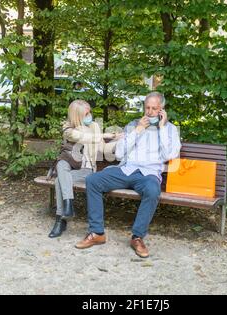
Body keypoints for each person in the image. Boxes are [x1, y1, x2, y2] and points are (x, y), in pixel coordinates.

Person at [75, 92, 182, 258]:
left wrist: (161, 128)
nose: (150, 112)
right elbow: (118, 153)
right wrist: (138, 130)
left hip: (149, 174)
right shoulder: (133, 125)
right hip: (126, 170)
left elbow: (170, 155)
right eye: (147, 107)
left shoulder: (170, 130)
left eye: (155, 108)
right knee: (93, 180)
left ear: (162, 109)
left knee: (153, 191)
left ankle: (137, 237)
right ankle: (97, 233)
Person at [48, 100, 120, 238]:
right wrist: (103, 136)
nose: (90, 115)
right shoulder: (68, 128)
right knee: (62, 165)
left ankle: (62, 218)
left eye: (90, 112)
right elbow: (82, 137)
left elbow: (103, 149)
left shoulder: (95, 126)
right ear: (77, 116)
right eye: (86, 114)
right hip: (70, 164)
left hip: (87, 170)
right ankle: (66, 209)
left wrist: (118, 140)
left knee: (59, 180)